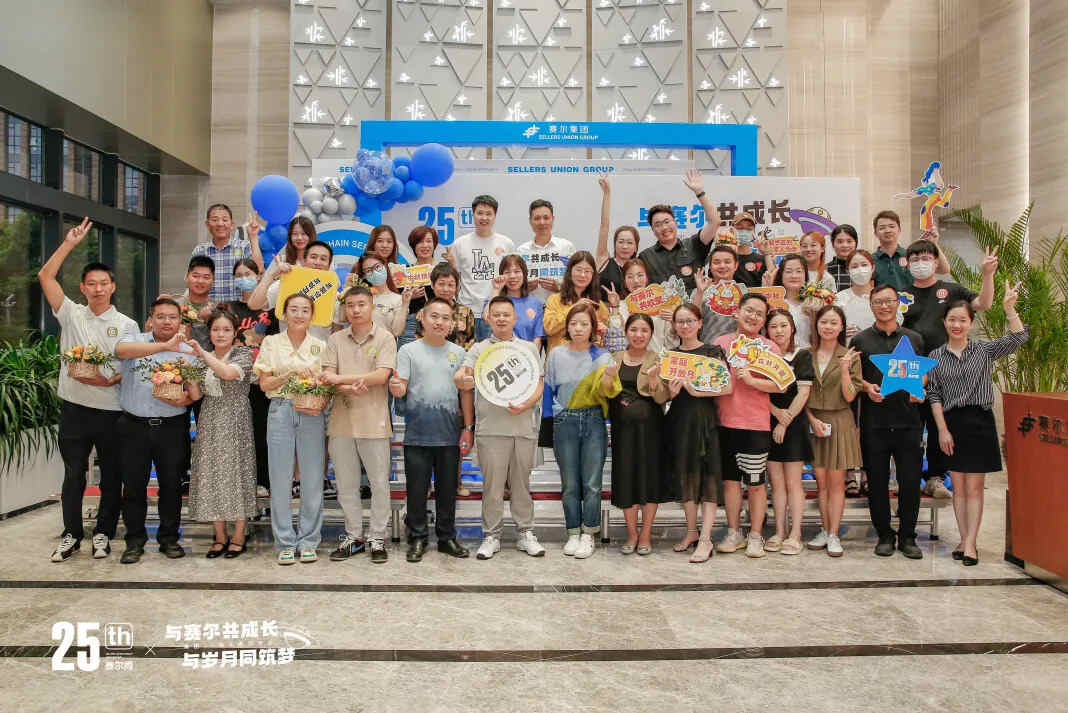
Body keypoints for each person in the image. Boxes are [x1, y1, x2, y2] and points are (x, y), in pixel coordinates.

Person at [38, 218, 138, 562]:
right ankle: (71, 533)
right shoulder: (71, 314)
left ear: (113, 287)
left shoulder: (126, 324)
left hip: (112, 411)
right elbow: (45, 277)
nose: (97, 289)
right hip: (75, 408)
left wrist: (108, 379)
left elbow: (130, 369)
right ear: (82, 288)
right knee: (73, 475)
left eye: (103, 283)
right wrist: (69, 244)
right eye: (91, 284)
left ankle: (104, 533)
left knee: (111, 476)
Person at [928, 284, 1027, 566]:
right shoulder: (935, 356)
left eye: (963, 320)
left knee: (974, 487)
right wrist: (942, 429)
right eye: (952, 319)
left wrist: (1009, 309)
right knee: (958, 488)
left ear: (971, 323)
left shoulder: (983, 350)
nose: (957, 325)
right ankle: (963, 538)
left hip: (980, 422)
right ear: (944, 322)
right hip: (951, 424)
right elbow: (933, 394)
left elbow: (1019, 337)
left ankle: (971, 543)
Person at [900, 239, 997, 498]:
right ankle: (907, 478)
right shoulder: (901, 294)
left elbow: (983, 304)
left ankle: (935, 477)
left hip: (943, 371)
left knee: (938, 426)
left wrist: (987, 274)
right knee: (909, 428)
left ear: (936, 262)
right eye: (915, 259)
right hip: (910, 372)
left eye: (926, 258)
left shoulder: (950, 290)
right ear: (907, 264)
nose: (920, 264)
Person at [455, 296, 547, 560]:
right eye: (496, 314)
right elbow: (463, 378)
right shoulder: (479, 350)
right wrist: (462, 378)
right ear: (488, 318)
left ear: (515, 318)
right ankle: (491, 535)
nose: (501, 319)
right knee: (492, 488)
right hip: (491, 429)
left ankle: (525, 532)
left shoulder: (528, 349)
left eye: (506, 314)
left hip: (523, 427)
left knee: (521, 486)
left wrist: (526, 404)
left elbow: (539, 384)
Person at [389, 298, 474, 562]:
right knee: (416, 490)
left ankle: (447, 537)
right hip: (417, 433)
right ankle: (417, 538)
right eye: (434, 316)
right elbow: (400, 385)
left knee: (448, 490)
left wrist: (468, 428)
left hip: (449, 434)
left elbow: (465, 394)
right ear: (422, 319)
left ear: (452, 324)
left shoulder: (459, 353)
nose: (439, 322)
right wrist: (396, 388)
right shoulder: (408, 351)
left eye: (445, 318)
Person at [113, 298, 197, 564]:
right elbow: (120, 351)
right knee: (133, 488)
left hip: (172, 428)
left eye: (172, 317)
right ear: (150, 320)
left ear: (180, 321)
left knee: (171, 486)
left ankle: (169, 539)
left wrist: (185, 400)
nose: (166, 322)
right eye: (161, 316)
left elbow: (194, 391)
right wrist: (163, 346)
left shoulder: (188, 350)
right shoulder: (135, 340)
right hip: (134, 426)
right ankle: (134, 542)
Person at [320, 285, 397, 565]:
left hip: (374, 422)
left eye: (361, 304)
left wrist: (342, 380)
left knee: (379, 484)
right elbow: (326, 376)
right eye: (350, 305)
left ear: (372, 306)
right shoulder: (335, 339)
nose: (355, 310)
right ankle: (353, 536)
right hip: (341, 422)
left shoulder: (386, 338)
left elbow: (381, 376)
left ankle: (377, 537)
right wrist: (347, 384)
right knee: (346, 485)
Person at [252, 293, 328, 566]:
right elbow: (264, 384)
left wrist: (319, 393)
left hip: (311, 412)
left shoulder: (321, 346)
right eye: (293, 309)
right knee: (280, 478)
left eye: (305, 310)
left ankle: (309, 540)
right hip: (281, 409)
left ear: (312, 315)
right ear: (284, 314)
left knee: (312, 478)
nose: (299, 314)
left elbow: (326, 384)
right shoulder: (271, 342)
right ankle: (284, 542)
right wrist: (289, 376)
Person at [852, 284, 927, 559]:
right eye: (878, 302)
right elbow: (853, 377)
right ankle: (884, 534)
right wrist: (866, 387)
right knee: (877, 483)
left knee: (910, 482)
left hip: (909, 422)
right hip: (874, 424)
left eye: (889, 301)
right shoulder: (860, 341)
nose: (884, 306)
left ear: (898, 304)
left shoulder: (914, 339)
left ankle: (908, 536)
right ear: (871, 306)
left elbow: (924, 373)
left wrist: (921, 387)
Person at [545, 303, 622, 559]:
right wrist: (553, 418)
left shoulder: (603, 356)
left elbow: (609, 392)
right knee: (569, 484)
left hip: (593, 421)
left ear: (592, 328)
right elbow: (549, 389)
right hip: (564, 421)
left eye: (584, 324)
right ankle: (572, 532)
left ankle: (589, 533)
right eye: (574, 323)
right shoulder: (556, 354)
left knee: (592, 483)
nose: (578, 328)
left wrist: (609, 376)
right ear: (567, 327)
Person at [713, 294, 785, 558]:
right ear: (737, 312)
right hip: (723, 422)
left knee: (755, 484)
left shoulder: (769, 348)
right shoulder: (720, 344)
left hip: (755, 424)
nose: (753, 317)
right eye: (749, 310)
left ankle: (755, 535)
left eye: (759, 314)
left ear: (764, 320)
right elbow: (711, 379)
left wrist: (753, 381)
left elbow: (780, 385)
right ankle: (734, 532)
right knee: (730, 483)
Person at [661, 303, 733, 563]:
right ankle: (691, 531)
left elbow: (727, 388)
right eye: (680, 321)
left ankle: (705, 538)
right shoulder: (671, 356)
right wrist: (671, 393)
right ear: (674, 325)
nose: (685, 326)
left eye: (690, 320)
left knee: (708, 478)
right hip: (679, 420)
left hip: (705, 420)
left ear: (700, 323)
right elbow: (664, 395)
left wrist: (697, 392)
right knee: (685, 476)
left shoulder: (712, 352)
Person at [185, 310, 257, 559]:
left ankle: (239, 534)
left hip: (236, 418)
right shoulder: (201, 359)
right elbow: (196, 396)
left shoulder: (243, 354)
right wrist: (187, 375)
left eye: (226, 329)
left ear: (235, 332)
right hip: (209, 417)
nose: (221, 334)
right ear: (209, 332)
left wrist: (201, 354)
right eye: (216, 329)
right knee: (211, 473)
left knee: (238, 473)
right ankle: (219, 535)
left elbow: (227, 373)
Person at [608, 313, 671, 555]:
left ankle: (645, 534)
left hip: (651, 431)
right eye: (634, 329)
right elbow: (606, 392)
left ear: (651, 334)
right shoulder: (615, 357)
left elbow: (663, 397)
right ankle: (632, 534)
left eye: (644, 330)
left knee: (649, 479)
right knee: (626, 479)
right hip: (623, 430)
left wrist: (654, 380)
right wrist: (607, 377)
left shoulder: (658, 359)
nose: (638, 335)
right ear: (626, 332)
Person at [804, 305, 863, 557]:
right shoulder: (806, 354)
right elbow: (801, 393)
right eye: (824, 322)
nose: (828, 327)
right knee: (821, 483)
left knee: (837, 483)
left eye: (833, 323)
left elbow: (850, 396)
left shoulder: (850, 356)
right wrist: (811, 419)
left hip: (839, 421)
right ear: (816, 325)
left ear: (841, 327)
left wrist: (846, 369)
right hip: (813, 421)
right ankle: (824, 529)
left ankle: (834, 534)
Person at [224, 258, 279, 496]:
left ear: (258, 276)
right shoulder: (229, 309)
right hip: (235, 379)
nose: (243, 278)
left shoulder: (271, 310)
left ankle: (263, 481)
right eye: (238, 275)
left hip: (262, 381)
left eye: (247, 273)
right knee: (236, 434)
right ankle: (236, 482)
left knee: (261, 433)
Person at [764, 309, 812, 556]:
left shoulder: (802, 355)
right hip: (768, 421)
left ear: (792, 328)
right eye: (773, 326)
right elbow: (757, 391)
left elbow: (803, 392)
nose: (779, 331)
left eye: (783, 325)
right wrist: (775, 413)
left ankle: (796, 534)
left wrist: (785, 421)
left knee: (793, 483)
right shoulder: (762, 356)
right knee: (776, 483)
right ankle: (779, 531)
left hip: (794, 424)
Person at [637, 168, 720, 292]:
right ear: (653, 230)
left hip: (696, 304)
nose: (664, 227)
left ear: (675, 223)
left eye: (667, 222)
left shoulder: (695, 244)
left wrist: (699, 192)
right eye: (658, 225)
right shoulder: (645, 257)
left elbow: (715, 222)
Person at [446, 194, 514, 341]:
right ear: (473, 214)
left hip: (495, 311)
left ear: (495, 216)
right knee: (463, 352)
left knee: (493, 353)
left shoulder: (506, 244)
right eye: (480, 213)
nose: (484, 218)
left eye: (489, 214)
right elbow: (455, 277)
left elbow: (511, 277)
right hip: (464, 310)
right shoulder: (459, 244)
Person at [247, 239, 337, 342]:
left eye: (323, 259)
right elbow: (254, 304)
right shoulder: (286, 284)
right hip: (287, 348)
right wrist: (271, 275)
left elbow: (336, 330)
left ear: (329, 264)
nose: (317, 262)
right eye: (313, 257)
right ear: (304, 260)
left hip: (319, 350)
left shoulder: (333, 294)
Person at [190, 204, 264, 302]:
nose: (220, 223)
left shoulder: (243, 247)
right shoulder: (200, 250)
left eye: (225, 220)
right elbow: (192, 283)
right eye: (215, 220)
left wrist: (253, 237)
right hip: (209, 309)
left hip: (238, 309)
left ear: (232, 225)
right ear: (207, 224)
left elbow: (258, 270)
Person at [603, 258, 677, 354]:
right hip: (627, 360)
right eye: (630, 277)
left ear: (647, 278)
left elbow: (671, 344)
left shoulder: (662, 303)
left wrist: (674, 325)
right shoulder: (620, 306)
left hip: (656, 359)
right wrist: (615, 308)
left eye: (640, 275)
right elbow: (615, 342)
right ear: (624, 281)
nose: (636, 281)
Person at [543, 251, 609, 353]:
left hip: (589, 360)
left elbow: (608, 337)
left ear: (593, 275)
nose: (582, 275)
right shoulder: (554, 299)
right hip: (560, 359)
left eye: (587, 271)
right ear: (570, 272)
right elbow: (549, 328)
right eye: (578, 270)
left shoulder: (597, 304)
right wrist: (573, 309)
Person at [870, 210, 950, 290]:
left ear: (899, 230)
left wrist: (934, 244)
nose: (888, 230)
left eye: (892, 226)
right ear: (875, 233)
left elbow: (944, 270)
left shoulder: (911, 256)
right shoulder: (870, 260)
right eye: (882, 228)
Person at [834, 248, 901, 341]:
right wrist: (839, 332)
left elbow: (897, 324)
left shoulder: (886, 296)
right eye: (854, 266)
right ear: (847, 271)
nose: (860, 270)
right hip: (849, 348)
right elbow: (831, 326)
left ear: (872, 268)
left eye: (864, 265)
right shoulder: (839, 299)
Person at [517, 199, 575, 301]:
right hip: (530, 307)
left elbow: (577, 282)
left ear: (553, 219)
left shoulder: (566, 247)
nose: (542, 222)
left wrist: (559, 288)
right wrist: (524, 288)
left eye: (546, 218)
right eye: (537, 218)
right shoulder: (522, 251)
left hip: (561, 306)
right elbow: (514, 286)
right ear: (530, 221)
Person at [594, 178, 639, 295]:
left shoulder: (640, 268)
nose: (625, 246)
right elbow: (604, 225)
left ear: (636, 247)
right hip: (603, 306)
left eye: (630, 243)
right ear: (614, 244)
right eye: (621, 242)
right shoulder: (604, 259)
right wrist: (607, 194)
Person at [694, 245, 747, 345]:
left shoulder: (745, 291)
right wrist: (700, 292)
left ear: (736, 265)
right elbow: (693, 319)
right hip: (708, 347)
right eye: (716, 262)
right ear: (710, 266)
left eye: (727, 262)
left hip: (738, 347)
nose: (722, 266)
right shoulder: (699, 291)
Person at [417, 262, 476, 349]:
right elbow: (419, 343)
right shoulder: (423, 312)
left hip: (459, 356)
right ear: (432, 285)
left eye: (450, 285)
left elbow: (471, 342)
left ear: (456, 287)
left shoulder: (465, 312)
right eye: (441, 284)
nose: (445, 289)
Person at [353, 251, 411, 337]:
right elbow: (342, 319)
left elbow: (397, 332)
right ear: (364, 276)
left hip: (386, 344)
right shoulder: (360, 297)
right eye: (368, 270)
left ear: (385, 266)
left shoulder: (399, 299)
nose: (374, 272)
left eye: (377, 267)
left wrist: (405, 304)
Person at [493, 254, 545, 351]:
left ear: (524, 274)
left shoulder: (536, 304)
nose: (512, 276)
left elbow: (537, 339)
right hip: (499, 355)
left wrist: (530, 358)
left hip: (525, 357)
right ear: (501, 275)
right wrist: (496, 289)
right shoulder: (494, 299)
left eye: (517, 271)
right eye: (507, 272)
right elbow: (487, 317)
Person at [400, 225, 439, 349]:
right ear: (413, 246)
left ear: (434, 244)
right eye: (420, 242)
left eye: (428, 241)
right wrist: (410, 297)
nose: (425, 245)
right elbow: (396, 301)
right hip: (411, 324)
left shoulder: (443, 269)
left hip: (438, 321)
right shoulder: (405, 271)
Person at [172, 255, 216, 349]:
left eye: (206, 277)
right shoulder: (173, 307)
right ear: (187, 276)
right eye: (195, 276)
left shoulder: (219, 309)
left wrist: (211, 321)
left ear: (213, 279)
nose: (200, 281)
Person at [772, 253, 812, 348]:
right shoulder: (773, 303)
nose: (794, 276)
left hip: (809, 354)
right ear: (781, 275)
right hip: (778, 354)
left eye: (799, 271)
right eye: (788, 271)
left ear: (805, 275)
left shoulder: (813, 302)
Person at [730, 211, 767, 287]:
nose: (744, 231)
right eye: (740, 228)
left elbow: (772, 283)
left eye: (749, 229)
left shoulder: (761, 259)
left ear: (753, 232)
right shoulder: (726, 259)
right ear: (732, 231)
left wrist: (767, 254)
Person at [826, 224, 859, 292]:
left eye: (849, 241)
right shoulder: (825, 270)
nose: (845, 245)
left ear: (856, 243)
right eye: (840, 242)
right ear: (833, 244)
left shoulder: (863, 268)